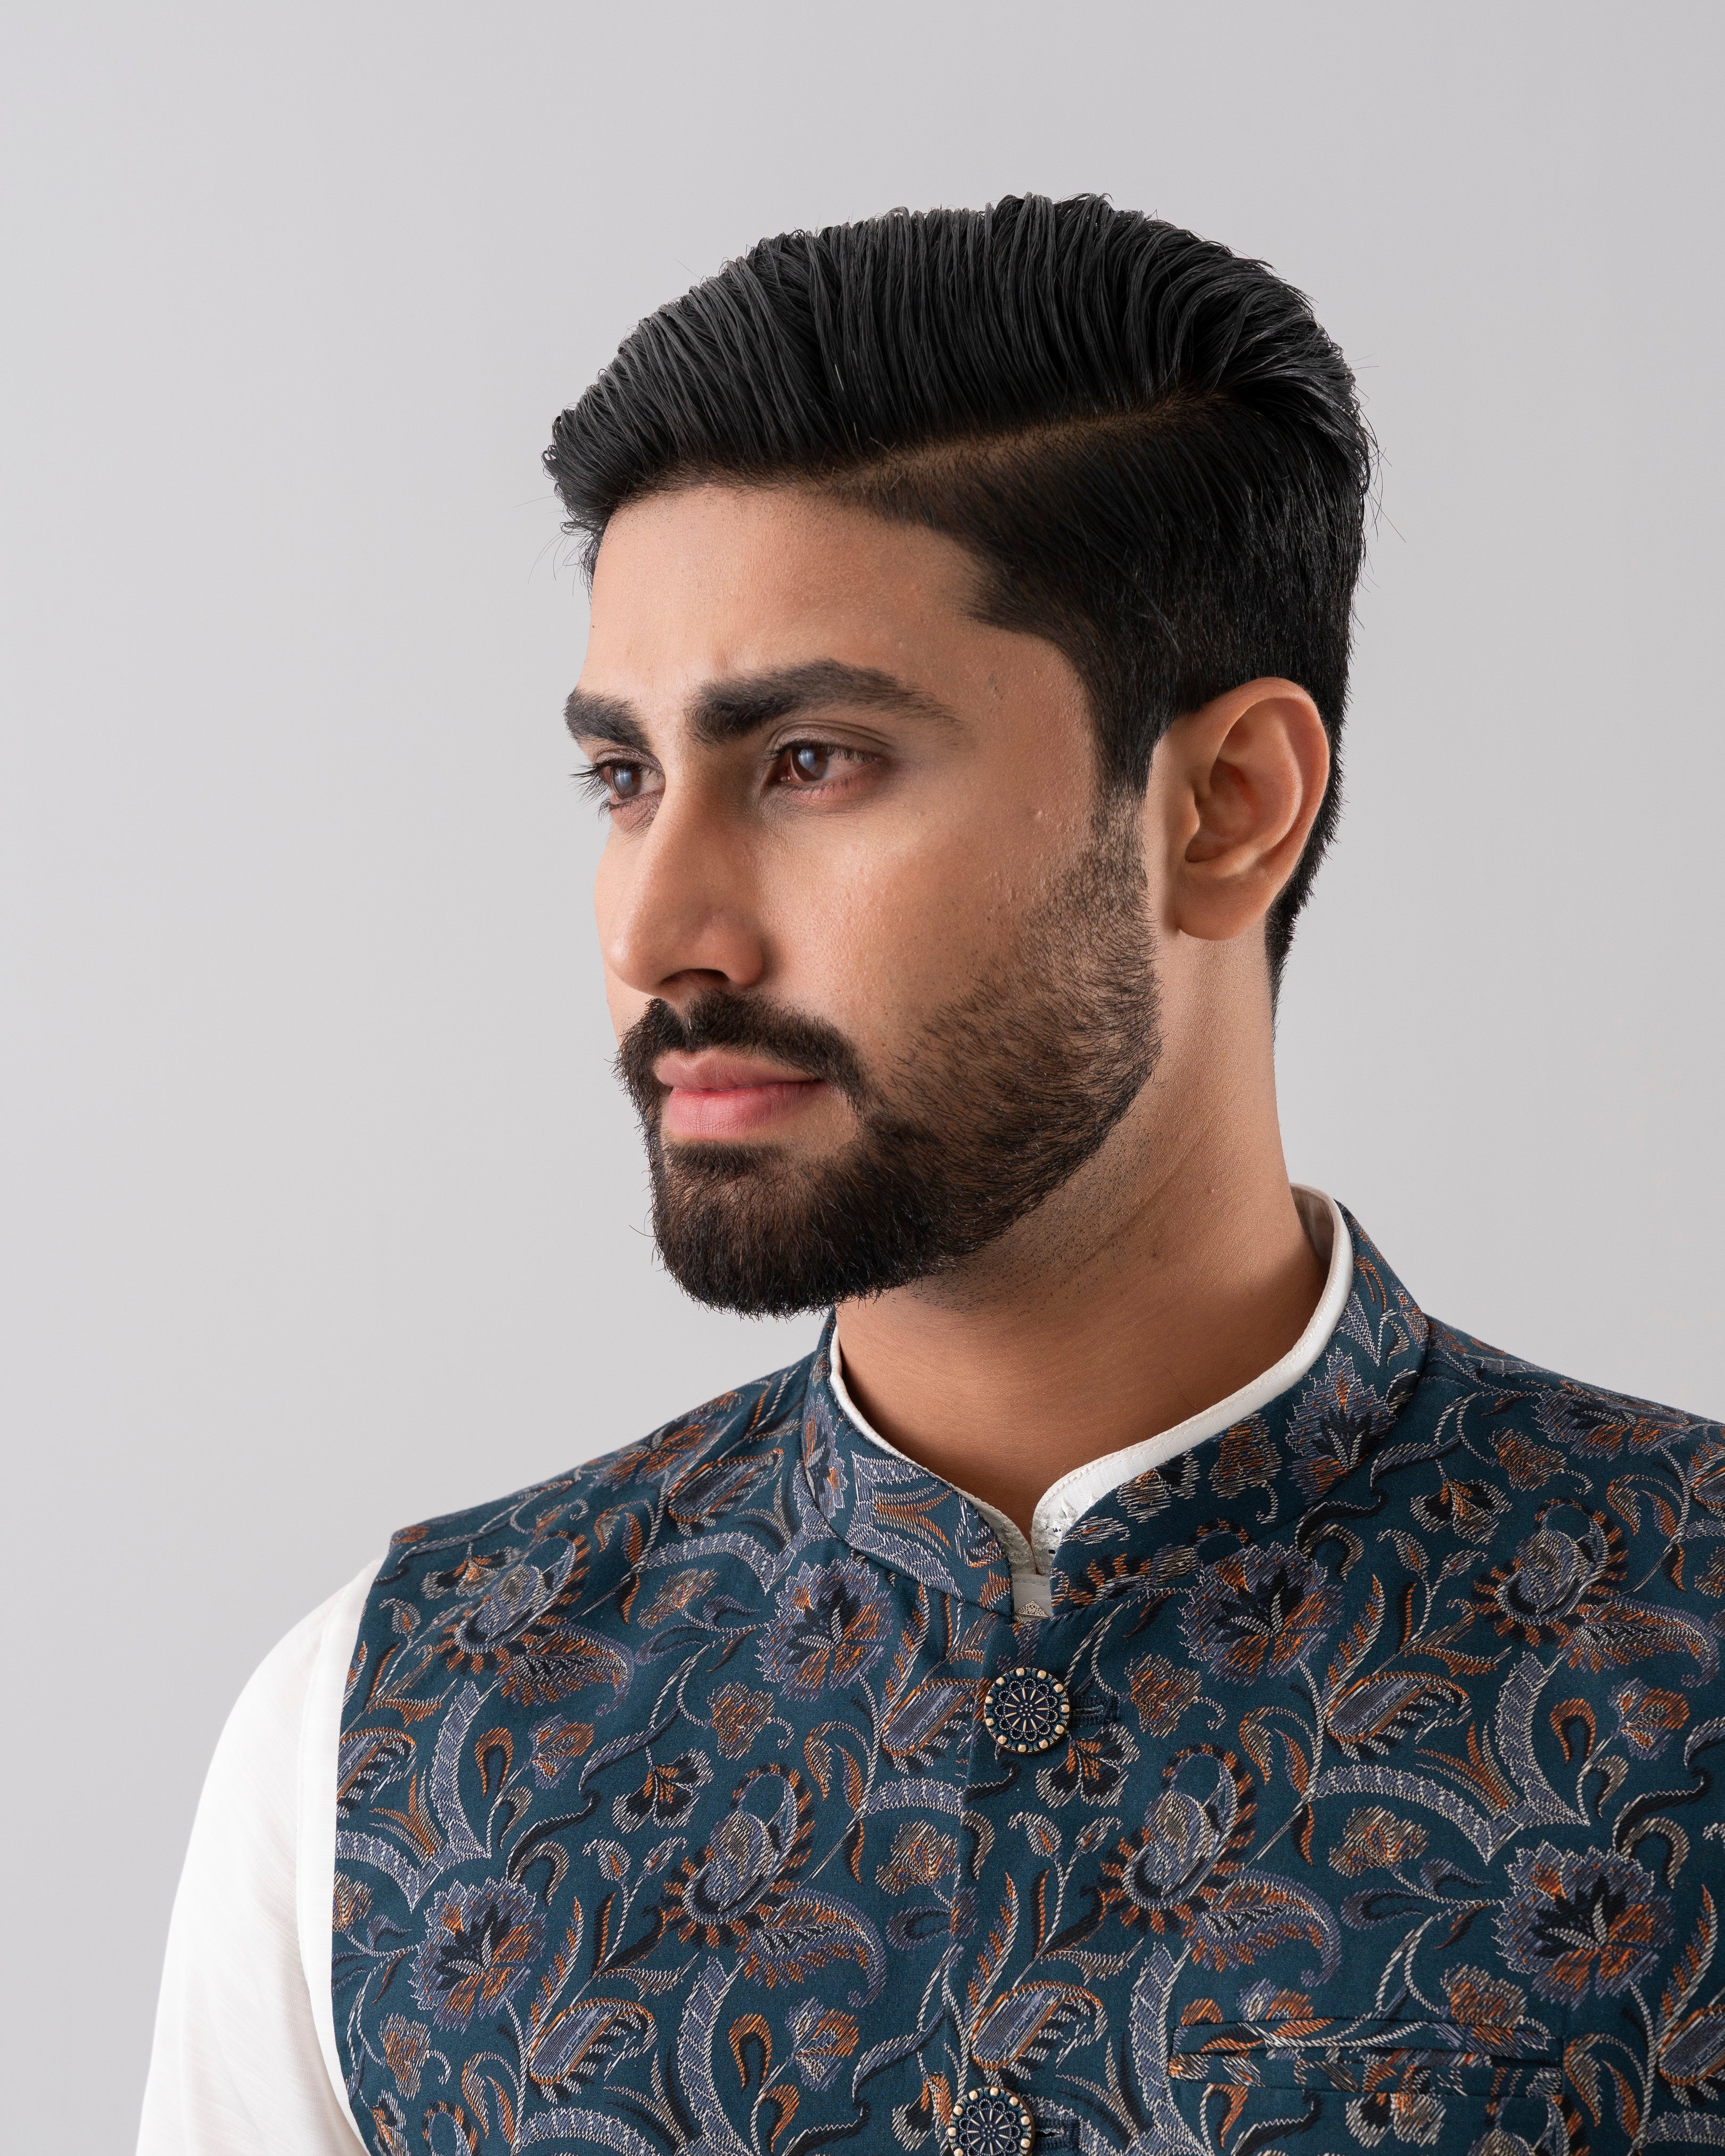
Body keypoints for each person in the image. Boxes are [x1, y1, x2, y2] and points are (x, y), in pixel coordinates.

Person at [139, 195, 1722, 2156]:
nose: (657, 927)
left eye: (810, 761)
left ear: (1227, 808)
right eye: (624, 779)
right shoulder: (384, 1736)